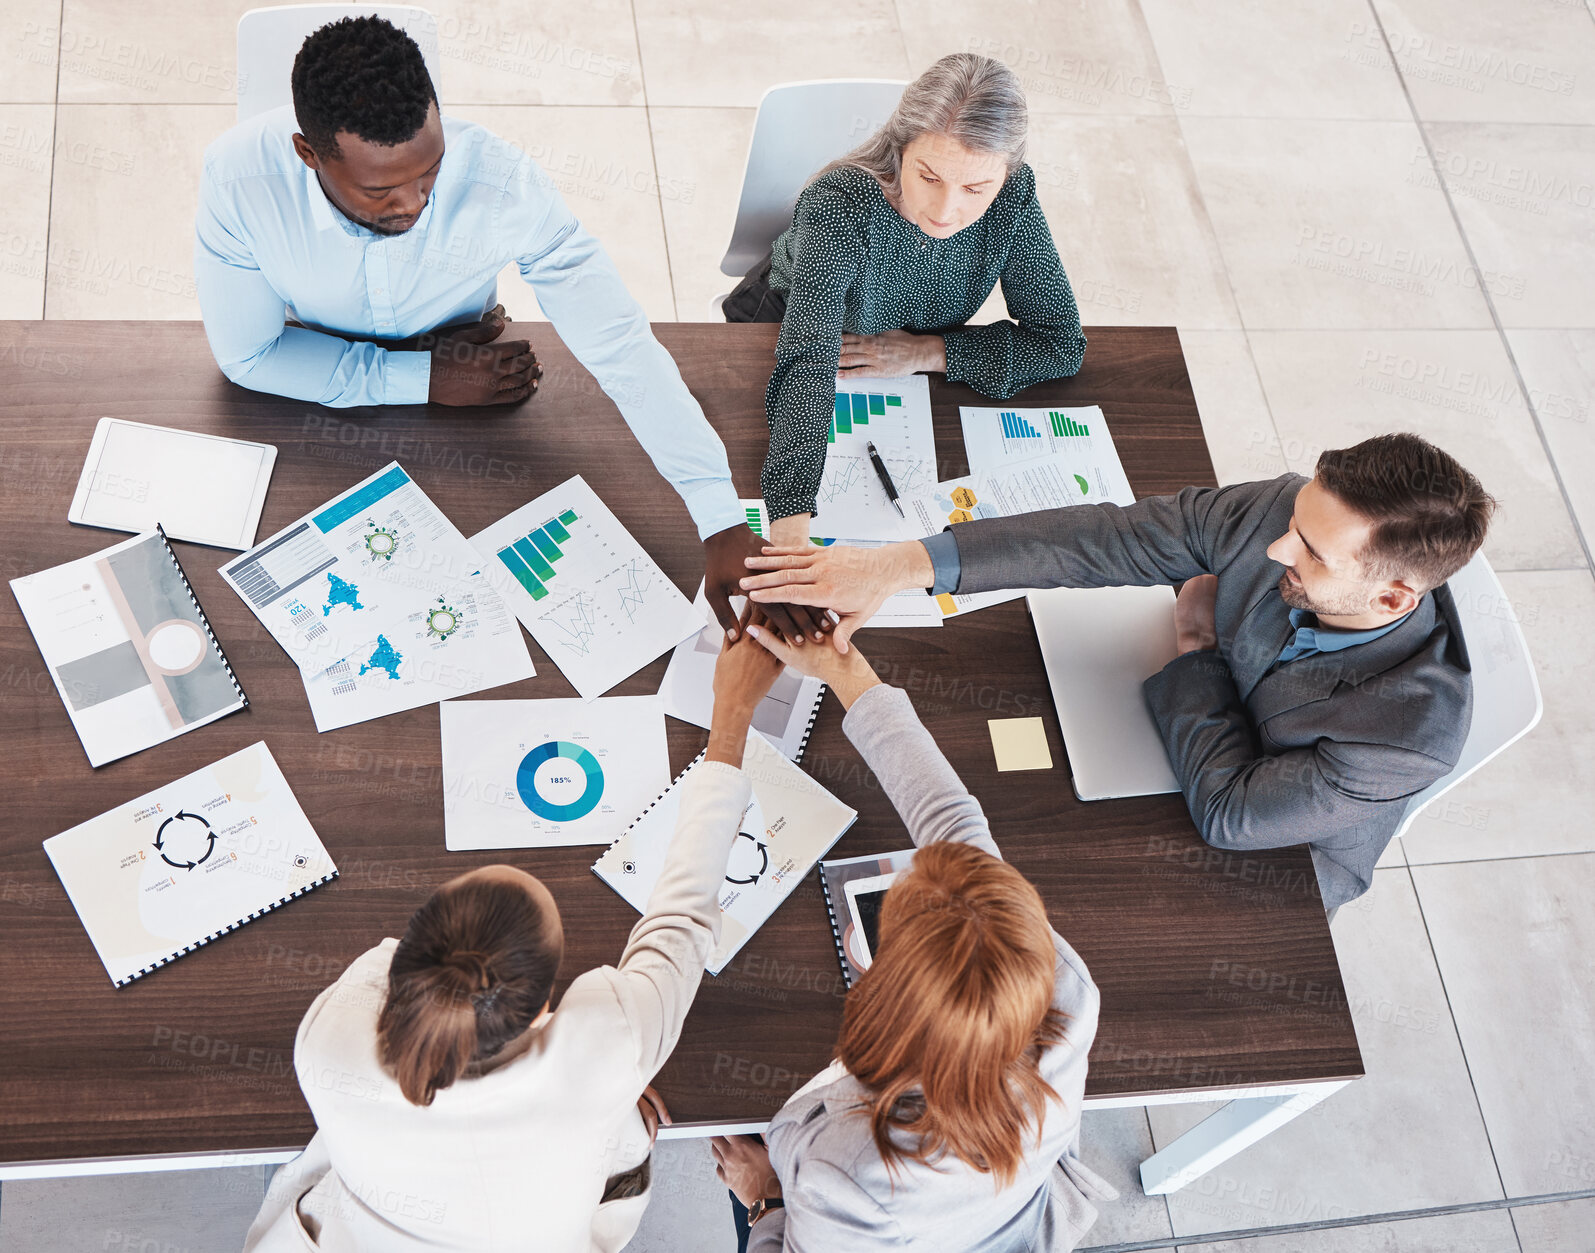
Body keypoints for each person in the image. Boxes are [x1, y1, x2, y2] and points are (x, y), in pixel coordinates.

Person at [195, 15, 822, 644]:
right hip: (327, 405)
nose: (414, 204)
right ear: (309, 154)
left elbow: (620, 344)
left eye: (429, 173)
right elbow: (250, 358)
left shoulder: (501, 181)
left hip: (471, 385)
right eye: (380, 191)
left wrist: (718, 517)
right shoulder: (238, 183)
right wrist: (426, 377)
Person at [739, 433, 1495, 911]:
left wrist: (1197, 651)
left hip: (1269, 868)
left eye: (1311, 554)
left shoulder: (1405, 735)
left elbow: (1231, 815)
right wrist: (898, 565)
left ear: (1393, 595)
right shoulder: (1284, 513)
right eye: (1294, 526)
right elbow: (1106, 538)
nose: (1275, 550)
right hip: (1196, 742)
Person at [242, 630, 786, 1252]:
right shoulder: (605, 1044)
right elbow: (682, 920)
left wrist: (605, 1073)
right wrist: (733, 718)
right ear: (546, 1006)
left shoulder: (327, 1038)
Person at [710, 630, 1114, 1251]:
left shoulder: (849, 1177)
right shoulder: (1061, 987)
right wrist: (848, 674)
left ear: (889, 992)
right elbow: (952, 822)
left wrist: (765, 1196)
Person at [725, 52, 1088, 548]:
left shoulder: (1013, 197)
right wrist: (790, 524)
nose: (945, 212)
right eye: (929, 178)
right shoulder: (842, 201)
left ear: (1005, 175)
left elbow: (1060, 343)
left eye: (976, 187)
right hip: (784, 319)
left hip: (908, 351)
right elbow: (808, 358)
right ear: (901, 152)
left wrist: (930, 352)